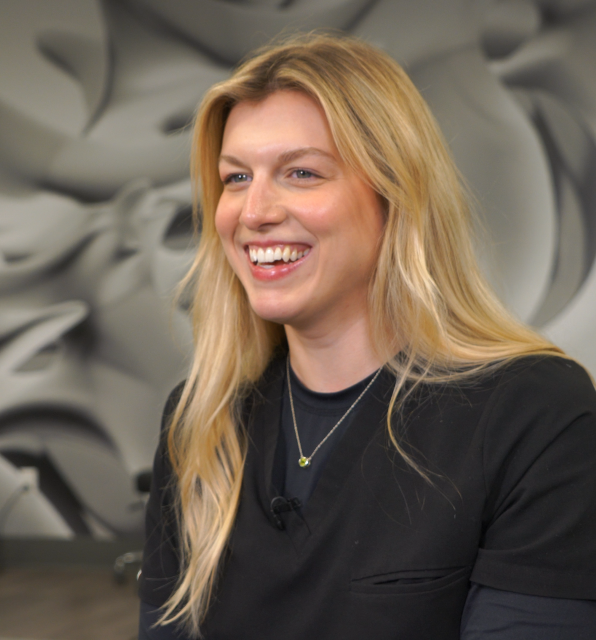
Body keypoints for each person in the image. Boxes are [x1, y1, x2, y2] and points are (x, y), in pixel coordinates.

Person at [138, 33, 596, 639]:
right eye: (237, 177)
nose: (253, 212)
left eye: (301, 172)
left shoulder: (536, 415)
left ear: (395, 194)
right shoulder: (201, 424)